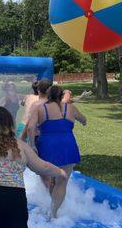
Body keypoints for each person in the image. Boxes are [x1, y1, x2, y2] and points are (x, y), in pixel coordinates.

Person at [28, 85, 87, 218]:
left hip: (47, 146)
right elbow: (84, 120)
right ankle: (54, 212)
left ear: (48, 96)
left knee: (52, 179)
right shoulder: (70, 108)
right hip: (67, 145)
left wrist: (32, 145)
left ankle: (52, 208)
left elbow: (31, 128)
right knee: (62, 181)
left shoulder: (40, 108)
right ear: (61, 96)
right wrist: (83, 122)